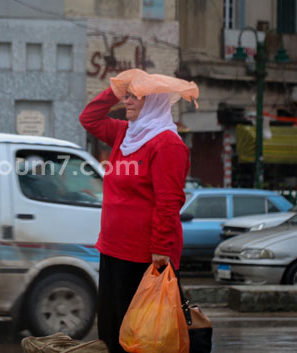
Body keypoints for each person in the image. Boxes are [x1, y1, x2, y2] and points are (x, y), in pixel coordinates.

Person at [79, 69, 196, 353]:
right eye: (128, 96)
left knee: (142, 337)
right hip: (112, 249)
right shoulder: (125, 134)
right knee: (111, 331)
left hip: (144, 256)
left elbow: (169, 201)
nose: (128, 102)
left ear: (155, 102)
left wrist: (160, 249)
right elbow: (88, 118)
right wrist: (115, 91)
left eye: (136, 97)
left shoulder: (167, 144)